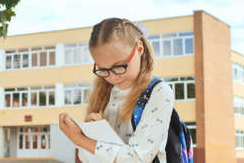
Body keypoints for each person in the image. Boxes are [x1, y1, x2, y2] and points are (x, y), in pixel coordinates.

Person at [59, 18, 174, 163]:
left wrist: (80, 139)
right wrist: (91, 134)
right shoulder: (105, 93)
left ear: (139, 49)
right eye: (103, 69)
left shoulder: (159, 92)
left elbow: (138, 158)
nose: (113, 77)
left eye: (119, 66)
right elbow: (87, 159)